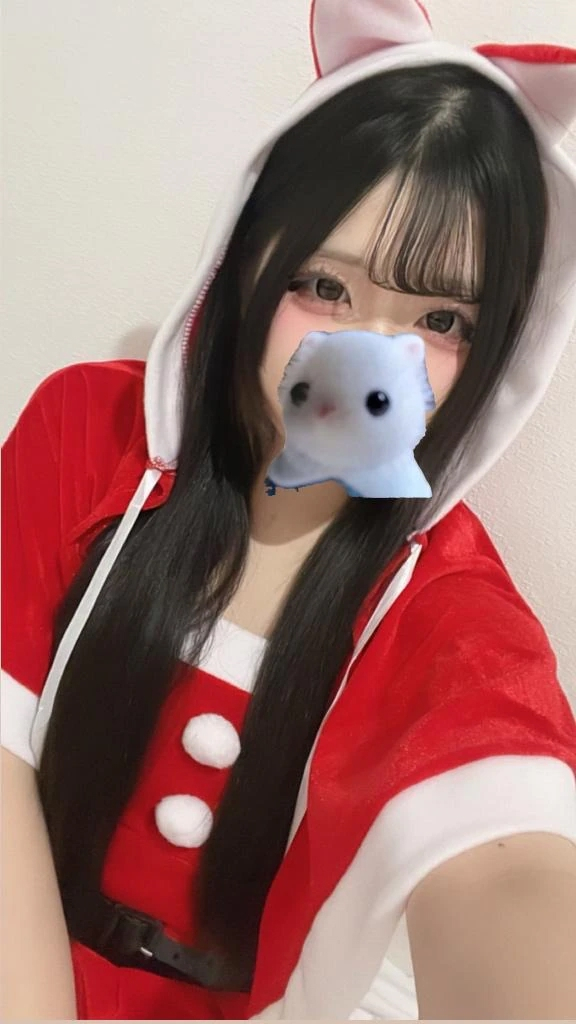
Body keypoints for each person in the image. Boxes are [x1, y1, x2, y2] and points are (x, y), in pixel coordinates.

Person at [2, 0, 576, 1019]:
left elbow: (510, 855)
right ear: (248, 261)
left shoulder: (443, 608)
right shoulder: (92, 436)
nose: (373, 362)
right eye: (326, 286)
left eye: (441, 318)